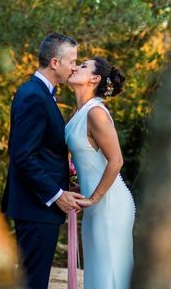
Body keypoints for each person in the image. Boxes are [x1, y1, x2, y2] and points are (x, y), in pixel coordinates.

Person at [1, 33, 85, 289]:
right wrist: (57, 193)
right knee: (32, 281)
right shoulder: (34, 96)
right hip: (36, 205)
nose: (75, 66)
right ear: (54, 62)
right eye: (72, 60)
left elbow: (43, 151)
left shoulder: (42, 94)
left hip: (38, 206)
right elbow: (23, 155)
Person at [66, 57, 135, 289]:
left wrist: (94, 197)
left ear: (95, 79)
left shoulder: (96, 113)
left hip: (109, 204)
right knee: (97, 274)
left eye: (83, 66)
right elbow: (92, 162)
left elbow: (116, 160)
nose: (75, 67)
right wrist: (78, 190)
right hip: (94, 203)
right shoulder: (80, 112)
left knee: (110, 274)